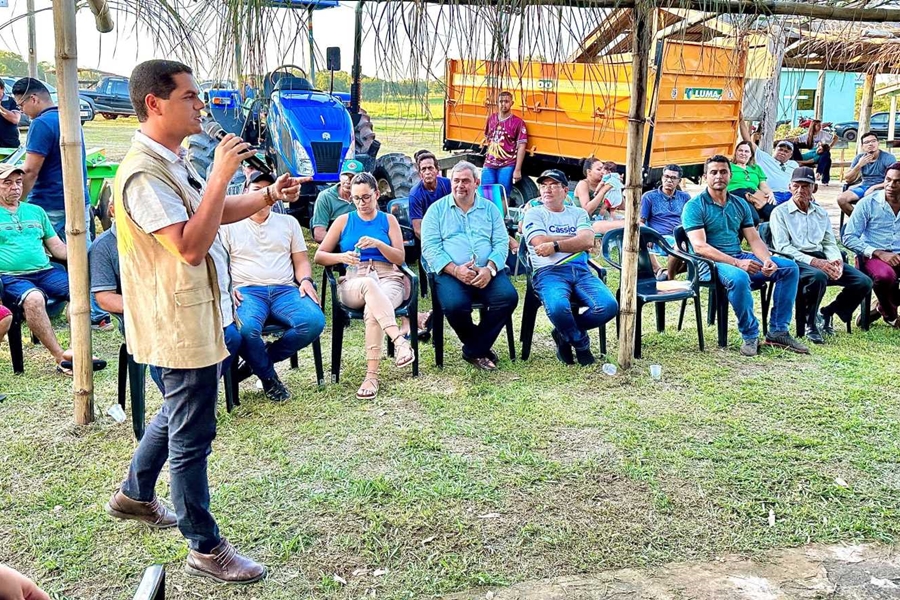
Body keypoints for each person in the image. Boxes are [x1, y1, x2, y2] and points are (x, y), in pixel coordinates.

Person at [106, 59, 305, 584]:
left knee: (177, 413)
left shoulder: (170, 161)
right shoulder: (143, 174)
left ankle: (134, 494)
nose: (202, 105)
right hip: (178, 325)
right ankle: (204, 547)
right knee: (192, 435)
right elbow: (191, 247)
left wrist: (265, 195)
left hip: (195, 319)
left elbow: (211, 212)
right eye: (191, 96)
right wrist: (219, 172)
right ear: (155, 103)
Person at [11, 77, 111, 330]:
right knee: (82, 257)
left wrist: (18, 205)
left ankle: (85, 310)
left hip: (49, 203)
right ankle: (94, 311)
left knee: (46, 258)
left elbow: (31, 171)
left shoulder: (42, 123)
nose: (21, 111)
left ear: (33, 99)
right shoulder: (67, 119)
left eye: (21, 105)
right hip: (77, 201)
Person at [682, 155, 808, 356]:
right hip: (709, 264)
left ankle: (778, 331)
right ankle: (750, 335)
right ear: (705, 176)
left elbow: (754, 239)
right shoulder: (695, 206)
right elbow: (700, 247)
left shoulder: (739, 204)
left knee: (788, 268)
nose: (719, 176)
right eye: (714, 172)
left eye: (723, 172)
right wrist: (737, 263)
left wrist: (766, 260)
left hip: (738, 256)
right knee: (739, 277)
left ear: (731, 175)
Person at [221, 171, 326, 402]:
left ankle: (259, 360)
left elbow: (301, 261)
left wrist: (306, 280)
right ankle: (269, 379)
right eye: (256, 189)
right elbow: (220, 264)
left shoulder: (288, 223)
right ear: (245, 192)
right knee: (246, 330)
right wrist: (227, 288)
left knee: (313, 321)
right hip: (246, 290)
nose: (261, 195)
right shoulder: (229, 225)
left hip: (285, 289)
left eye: (267, 190)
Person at [314, 172, 415, 400]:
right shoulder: (343, 221)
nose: (362, 203)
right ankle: (399, 341)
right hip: (355, 279)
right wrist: (342, 257)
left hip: (388, 276)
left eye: (367, 197)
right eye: (357, 198)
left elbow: (399, 258)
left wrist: (379, 243)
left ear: (377, 194)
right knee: (369, 285)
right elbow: (319, 256)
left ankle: (371, 376)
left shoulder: (388, 220)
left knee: (373, 311)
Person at [0, 163, 101, 375]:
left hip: (45, 271)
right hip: (11, 277)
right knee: (34, 299)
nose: (15, 187)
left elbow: (56, 248)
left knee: (80, 292)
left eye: (18, 182)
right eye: (7, 183)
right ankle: (60, 357)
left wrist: (83, 253)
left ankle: (77, 351)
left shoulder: (35, 211)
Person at [421, 161, 518, 370]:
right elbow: (429, 247)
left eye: (465, 181)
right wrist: (455, 270)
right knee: (455, 306)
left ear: (476, 183)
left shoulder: (490, 210)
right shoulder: (436, 211)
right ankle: (480, 347)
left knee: (508, 297)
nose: (460, 185)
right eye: (456, 181)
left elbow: (501, 242)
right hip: (450, 272)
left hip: (487, 270)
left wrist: (490, 269)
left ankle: (473, 349)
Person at [523, 169, 617, 365]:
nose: (547, 190)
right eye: (543, 185)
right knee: (558, 308)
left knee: (608, 307)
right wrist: (576, 239)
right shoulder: (533, 213)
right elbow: (539, 241)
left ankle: (562, 333)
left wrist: (556, 245)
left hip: (581, 270)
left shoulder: (578, 212)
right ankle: (580, 344)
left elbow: (588, 240)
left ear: (565, 190)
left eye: (553, 185)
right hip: (548, 272)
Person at [769, 167, 872, 343]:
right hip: (794, 261)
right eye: (796, 186)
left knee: (863, 282)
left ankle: (827, 313)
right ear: (789, 187)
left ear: (814, 189)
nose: (800, 190)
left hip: (820, 257)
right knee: (818, 276)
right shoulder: (780, 212)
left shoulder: (820, 212)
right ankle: (810, 324)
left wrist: (836, 261)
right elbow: (784, 247)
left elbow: (828, 242)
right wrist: (816, 262)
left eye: (806, 186)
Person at [842, 163, 900, 327]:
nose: (891, 185)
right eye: (888, 180)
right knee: (885, 277)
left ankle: (880, 306)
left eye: (897, 181)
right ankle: (890, 314)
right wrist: (878, 253)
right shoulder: (868, 203)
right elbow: (848, 236)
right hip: (871, 256)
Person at [640, 164, 691, 280]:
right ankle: (670, 280)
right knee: (680, 247)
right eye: (666, 176)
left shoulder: (685, 197)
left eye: (673, 178)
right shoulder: (649, 197)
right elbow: (640, 222)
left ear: (679, 181)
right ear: (662, 177)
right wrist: (648, 234)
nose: (669, 180)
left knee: (698, 252)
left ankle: (666, 274)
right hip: (659, 238)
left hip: (681, 235)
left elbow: (691, 219)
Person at [739, 118, 798, 208]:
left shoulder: (794, 164)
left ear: (790, 155)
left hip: (790, 194)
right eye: (780, 149)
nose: (782, 152)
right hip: (773, 194)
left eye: (786, 151)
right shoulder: (764, 157)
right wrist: (741, 121)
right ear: (775, 150)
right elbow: (748, 141)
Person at [837, 132, 897, 217]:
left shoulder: (888, 158)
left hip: (882, 188)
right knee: (841, 199)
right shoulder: (859, 158)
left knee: (868, 198)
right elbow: (848, 179)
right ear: (862, 146)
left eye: (873, 141)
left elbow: (894, 179)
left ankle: (869, 224)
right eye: (867, 142)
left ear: (878, 143)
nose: (871, 144)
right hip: (864, 186)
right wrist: (859, 165)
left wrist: (873, 187)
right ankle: (858, 222)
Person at [481, 90, 527, 196]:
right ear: (497, 102)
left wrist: (517, 169)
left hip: (507, 164)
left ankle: (502, 213)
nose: (503, 104)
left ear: (512, 103)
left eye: (506, 101)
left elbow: (521, 146)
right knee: (486, 193)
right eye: (501, 101)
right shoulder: (491, 119)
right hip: (489, 164)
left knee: (503, 196)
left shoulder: (518, 122)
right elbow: (488, 138)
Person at [310, 158, 365, 243]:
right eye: (345, 176)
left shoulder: (367, 197)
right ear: (339, 176)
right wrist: (346, 243)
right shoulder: (326, 197)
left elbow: (377, 225)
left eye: (353, 177)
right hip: (336, 246)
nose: (348, 181)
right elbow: (319, 235)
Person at [572, 158, 626, 235]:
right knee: (623, 225)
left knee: (634, 223)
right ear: (589, 172)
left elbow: (622, 207)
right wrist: (603, 191)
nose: (602, 172)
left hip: (605, 220)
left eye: (604, 169)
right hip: (589, 223)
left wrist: (616, 187)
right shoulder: (583, 184)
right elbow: (587, 211)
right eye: (599, 169)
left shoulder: (605, 183)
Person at [728, 140, 775, 223]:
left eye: (746, 151)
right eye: (740, 150)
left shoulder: (756, 168)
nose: (743, 153)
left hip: (754, 194)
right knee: (753, 218)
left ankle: (765, 234)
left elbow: (763, 185)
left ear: (751, 155)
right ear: (735, 152)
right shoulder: (728, 167)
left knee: (774, 214)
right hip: (736, 194)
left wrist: (770, 193)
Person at [409, 150, 451, 238]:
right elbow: (418, 230)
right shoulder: (415, 194)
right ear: (420, 174)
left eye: (430, 168)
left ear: (437, 170)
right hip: (428, 233)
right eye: (423, 169)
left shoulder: (448, 185)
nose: (427, 172)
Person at [792, 119, 835, 185]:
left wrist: (829, 147)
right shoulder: (809, 136)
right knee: (827, 159)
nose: (820, 127)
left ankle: (819, 174)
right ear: (813, 126)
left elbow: (809, 161)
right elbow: (796, 139)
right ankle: (823, 178)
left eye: (820, 125)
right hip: (800, 157)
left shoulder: (818, 155)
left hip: (804, 160)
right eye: (818, 125)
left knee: (827, 155)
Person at [0, 79, 21, 149]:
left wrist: (1, 108)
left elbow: (15, 119)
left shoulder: (11, 101)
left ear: (2, 88)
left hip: (9, 144)